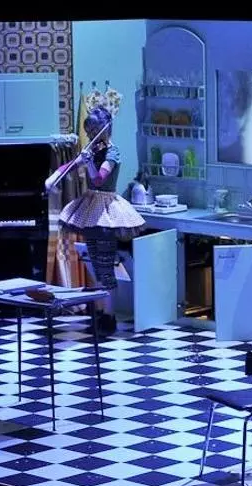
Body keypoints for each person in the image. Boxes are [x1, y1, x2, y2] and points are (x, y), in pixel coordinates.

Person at [58, 106, 146, 334]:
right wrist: (56, 176)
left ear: (105, 129)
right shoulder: (93, 149)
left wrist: (88, 163)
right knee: (96, 266)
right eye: (88, 130)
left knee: (105, 268)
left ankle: (109, 317)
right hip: (90, 210)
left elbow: (99, 180)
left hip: (106, 210)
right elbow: (70, 166)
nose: (91, 135)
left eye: (94, 130)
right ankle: (101, 313)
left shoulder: (112, 152)